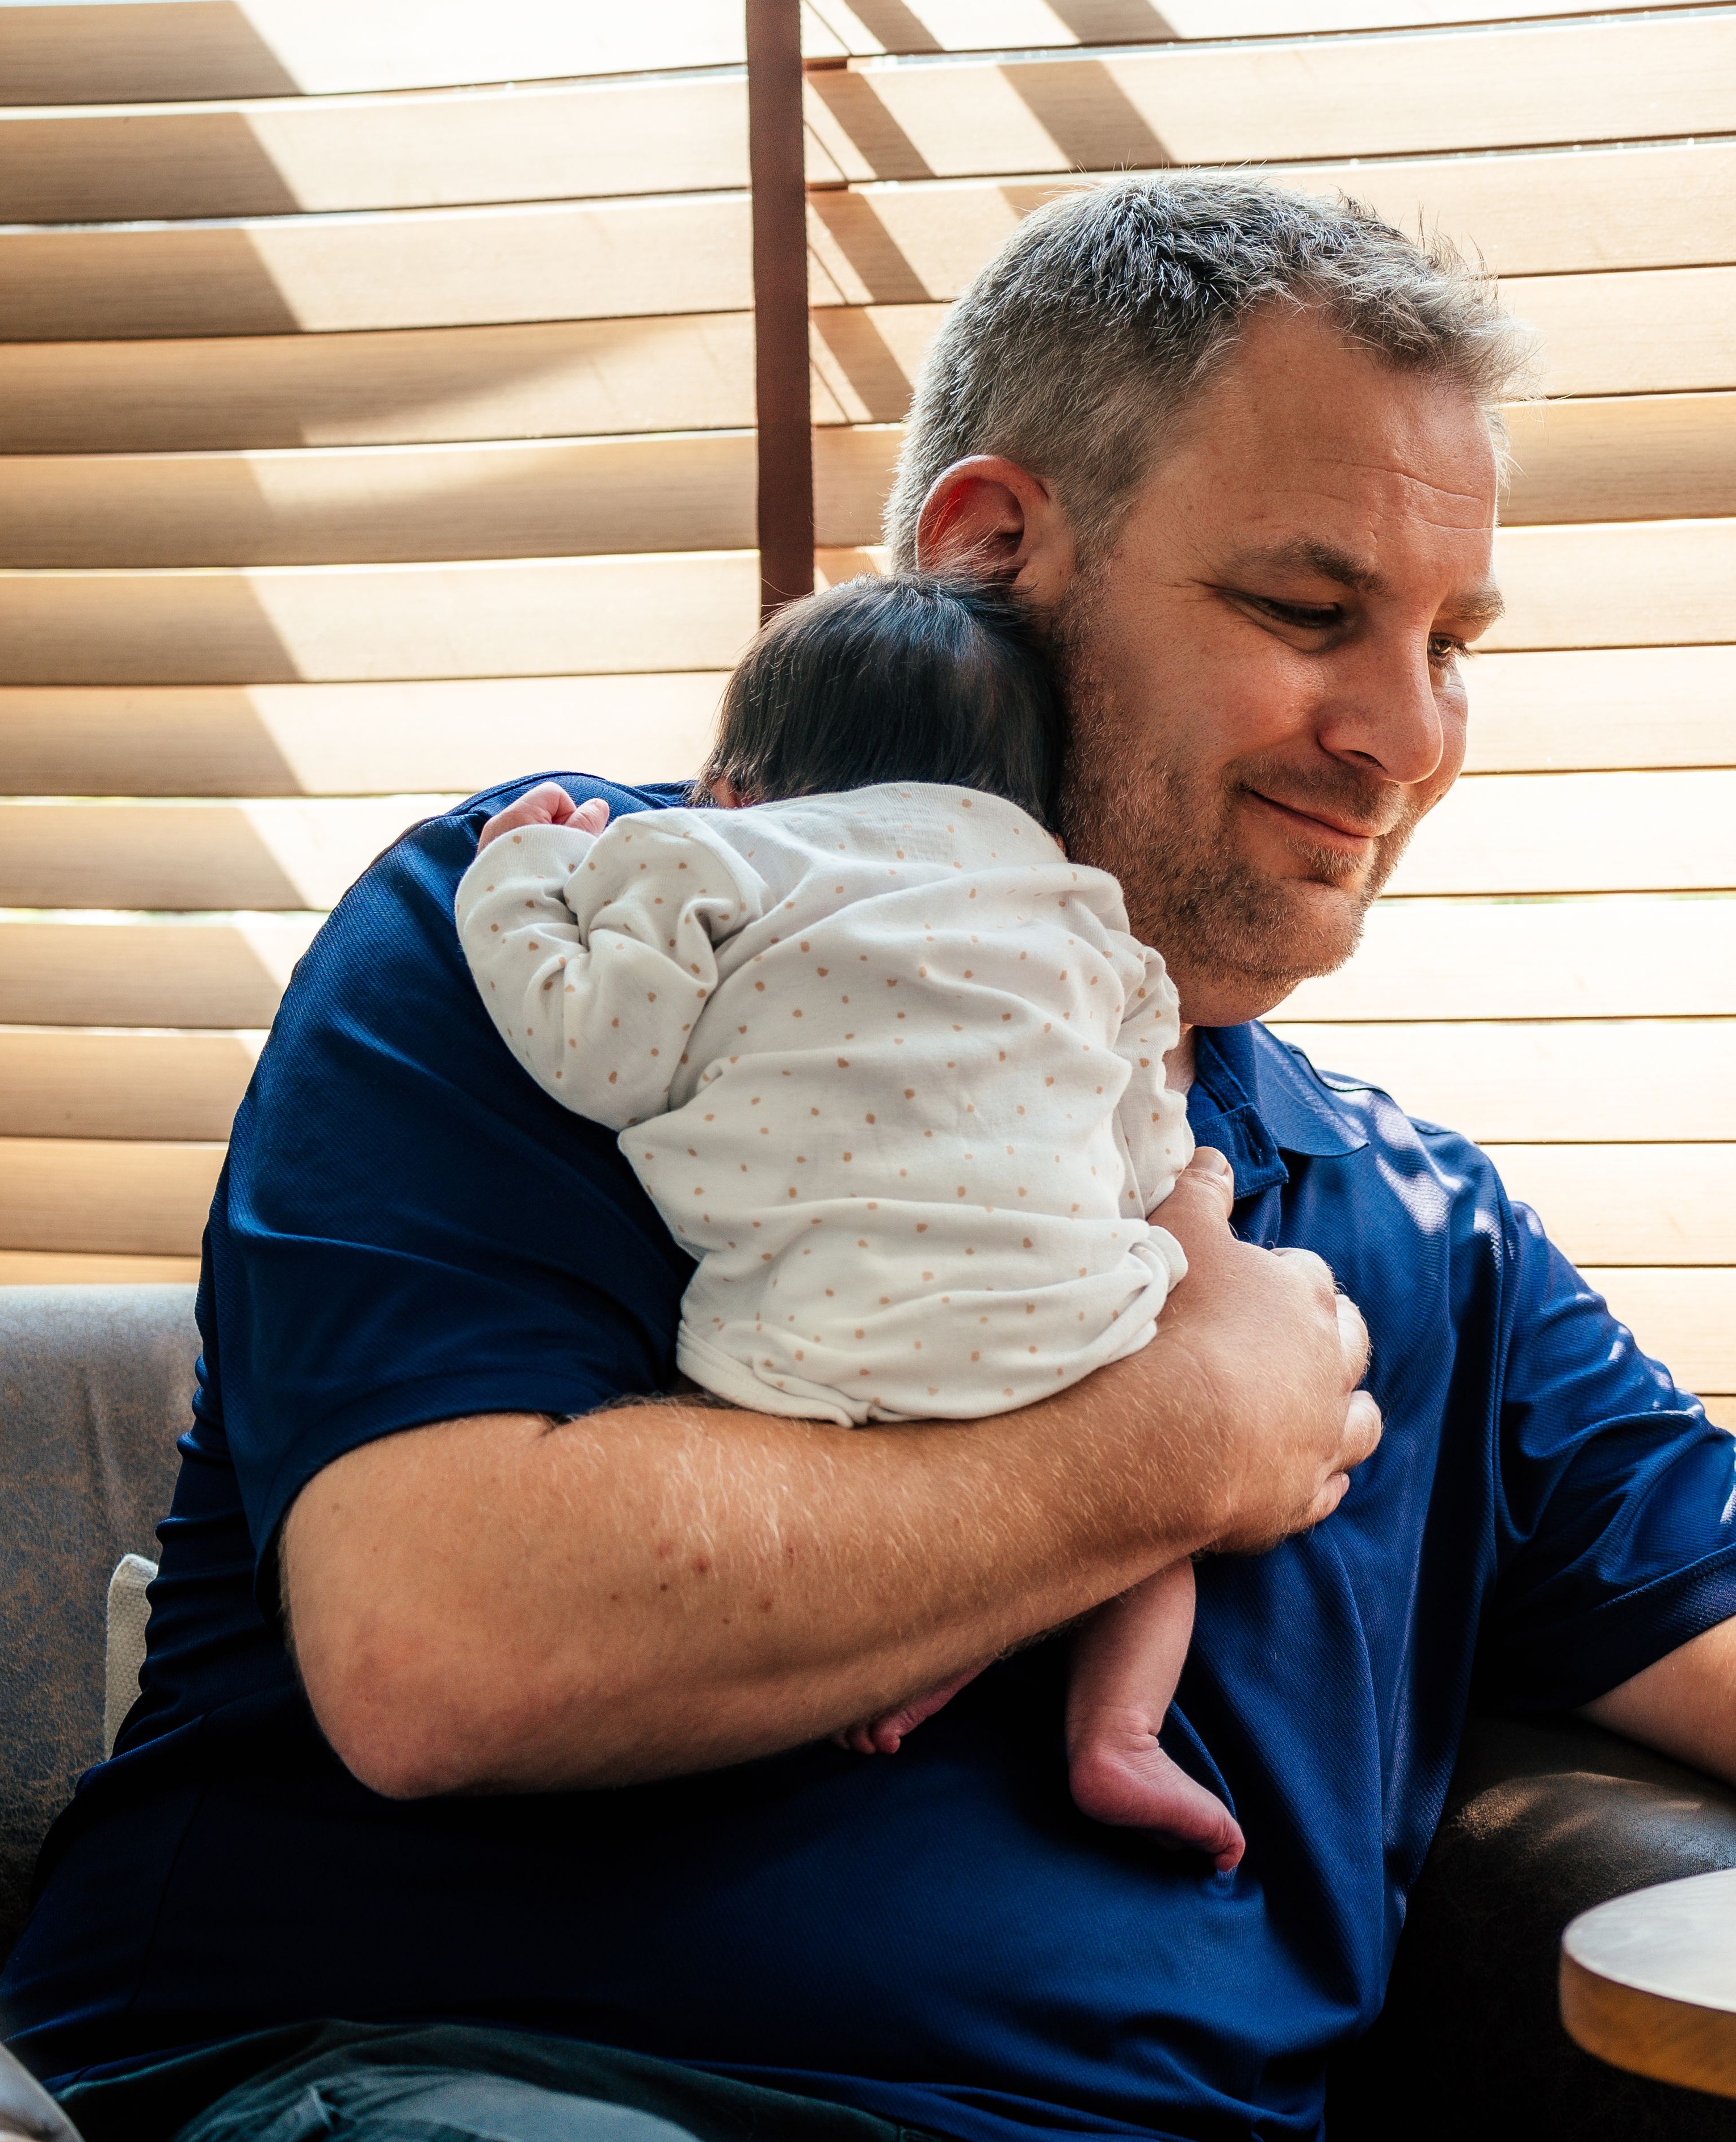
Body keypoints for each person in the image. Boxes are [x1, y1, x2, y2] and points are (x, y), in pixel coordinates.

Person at [0, 178, 1736, 2142]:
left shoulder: (1406, 1221)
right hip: (423, 2114)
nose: (1402, 733)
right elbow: (446, 1646)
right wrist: (1177, 1442)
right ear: (994, 548)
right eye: (1310, 607)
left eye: (1453, 643)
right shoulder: (588, 939)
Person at [455, 569, 1234, 1865]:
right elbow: (1145, 1131)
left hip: (809, 1346)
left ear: (733, 787)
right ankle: (1119, 1734)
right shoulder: (1074, 906)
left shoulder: (710, 856)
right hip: (1070, 1329)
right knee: (1152, 1536)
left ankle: (901, 1648)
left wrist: (520, 877)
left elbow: (599, 1055)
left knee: (739, 1502)